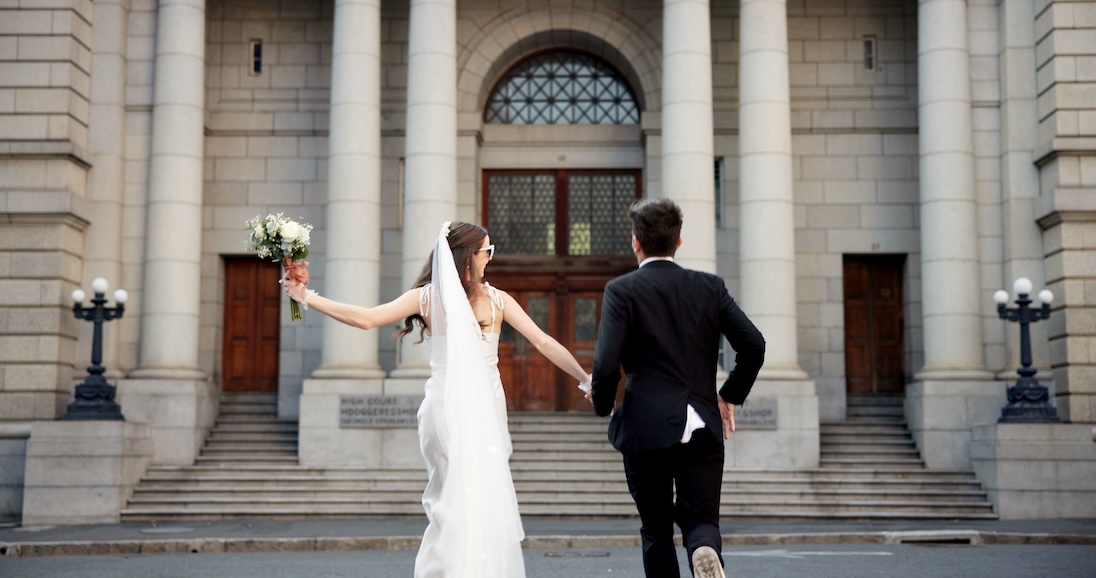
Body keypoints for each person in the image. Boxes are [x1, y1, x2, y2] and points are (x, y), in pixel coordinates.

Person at [282, 221, 591, 578]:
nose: (490, 258)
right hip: (465, 408)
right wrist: (586, 380)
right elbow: (543, 342)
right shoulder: (482, 300)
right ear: (467, 257)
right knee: (466, 497)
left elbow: (367, 319)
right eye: (486, 251)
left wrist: (307, 297)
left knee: (457, 497)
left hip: (459, 407)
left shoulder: (438, 298)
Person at [589, 198, 766, 578]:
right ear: (679, 242)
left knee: (655, 530)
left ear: (636, 241)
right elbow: (754, 345)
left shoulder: (622, 290)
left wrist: (602, 404)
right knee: (701, 519)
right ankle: (703, 548)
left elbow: (605, 365)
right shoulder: (708, 287)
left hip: (644, 427)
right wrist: (728, 395)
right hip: (701, 422)